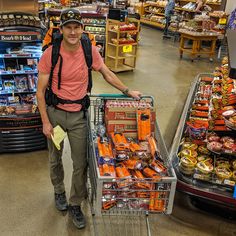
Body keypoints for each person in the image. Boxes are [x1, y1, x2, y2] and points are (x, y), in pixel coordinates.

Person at [36, 8, 141, 230]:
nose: (73, 32)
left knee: (80, 163)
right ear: (61, 29)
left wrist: (127, 90)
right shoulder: (50, 53)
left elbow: (106, 72)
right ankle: (59, 192)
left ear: (82, 29)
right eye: (68, 27)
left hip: (78, 117)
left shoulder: (89, 50)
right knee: (55, 158)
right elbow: (40, 91)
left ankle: (75, 203)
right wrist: (45, 121)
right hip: (55, 114)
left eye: (77, 27)